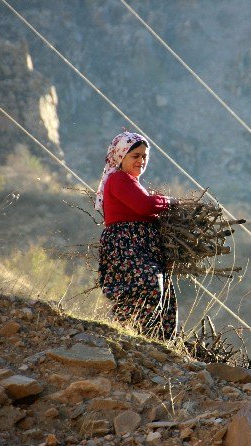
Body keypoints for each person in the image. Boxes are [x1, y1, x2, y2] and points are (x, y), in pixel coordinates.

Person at [95, 131, 178, 340]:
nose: (141, 160)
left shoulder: (132, 183)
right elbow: (144, 206)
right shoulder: (118, 179)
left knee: (163, 297)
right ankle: (126, 337)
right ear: (121, 157)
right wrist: (168, 201)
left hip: (141, 246)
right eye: (135, 156)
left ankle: (152, 344)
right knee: (146, 283)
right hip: (125, 244)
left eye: (144, 156)